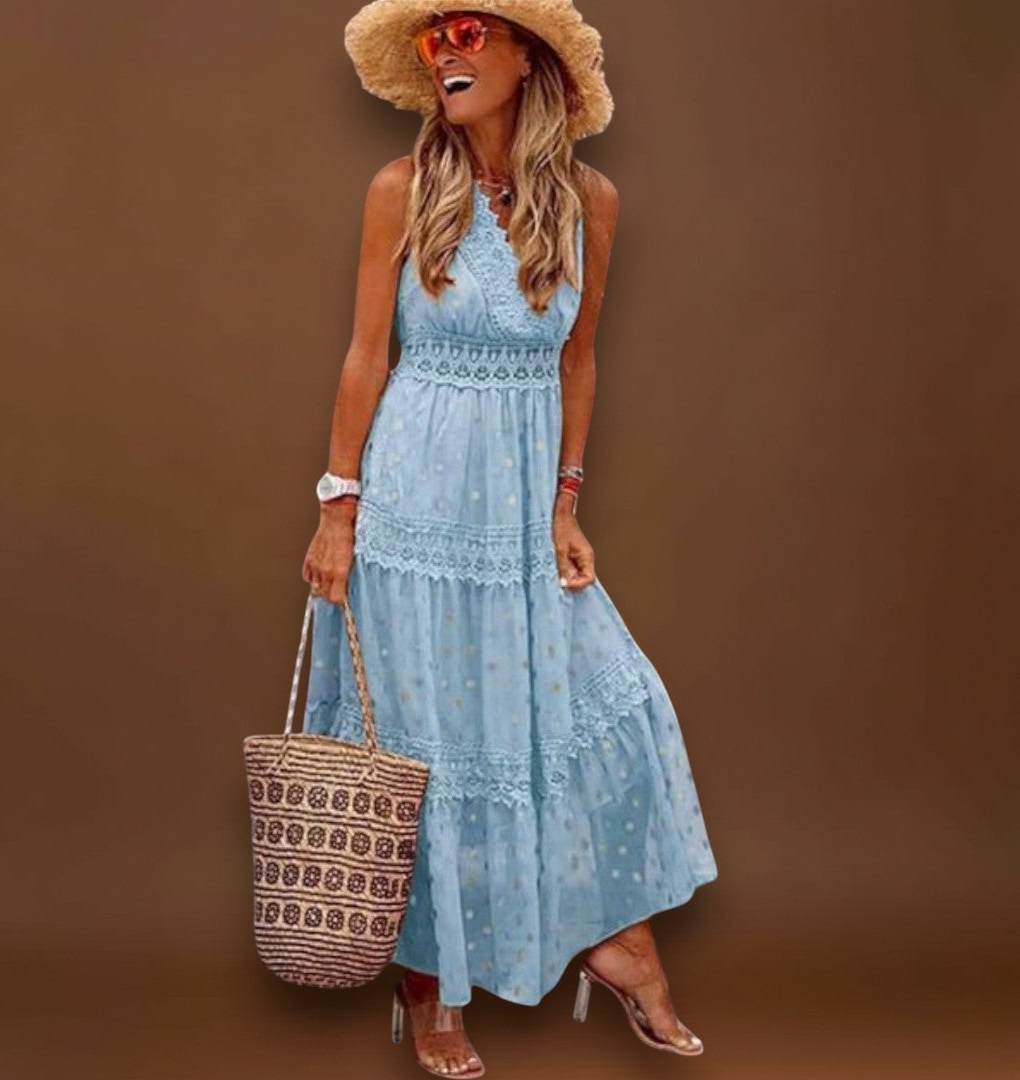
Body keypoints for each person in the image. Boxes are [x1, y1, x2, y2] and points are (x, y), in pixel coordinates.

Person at [299, 1, 718, 1074]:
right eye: (433, 35)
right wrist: (339, 508)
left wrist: (566, 505)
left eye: (469, 30)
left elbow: (578, 360)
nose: (447, 49)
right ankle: (432, 992)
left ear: (529, 57)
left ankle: (619, 944)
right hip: (411, 509)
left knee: (600, 710)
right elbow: (366, 356)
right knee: (423, 747)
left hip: (521, 511)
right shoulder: (400, 190)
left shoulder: (590, 202)